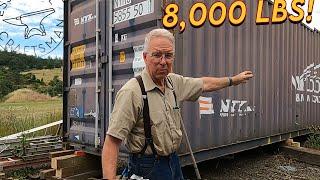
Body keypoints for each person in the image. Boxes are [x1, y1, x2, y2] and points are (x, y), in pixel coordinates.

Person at [102, 28, 253, 180]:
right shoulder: (132, 92)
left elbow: (204, 84)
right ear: (145, 57)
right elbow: (112, 142)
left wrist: (233, 80)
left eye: (168, 55)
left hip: (173, 161)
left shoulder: (173, 82)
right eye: (157, 55)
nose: (163, 61)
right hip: (147, 167)